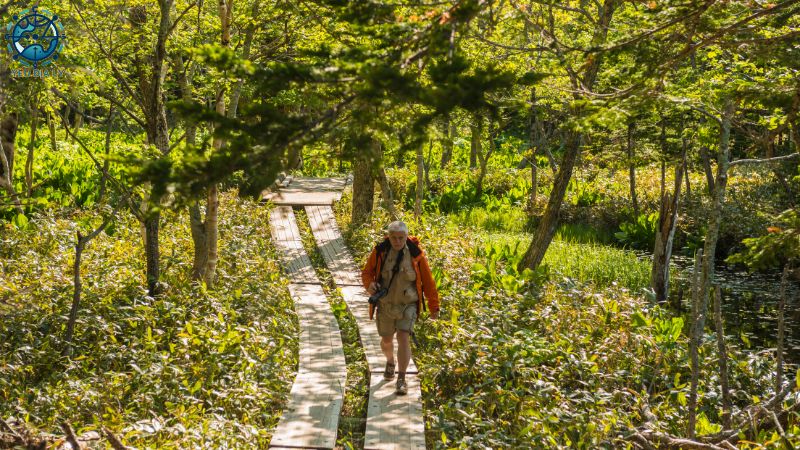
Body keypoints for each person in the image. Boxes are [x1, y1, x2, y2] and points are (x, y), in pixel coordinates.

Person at [362, 220, 440, 395]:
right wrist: (370, 285)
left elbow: (428, 281)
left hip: (408, 304)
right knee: (387, 340)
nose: (397, 241)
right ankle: (390, 361)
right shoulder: (380, 251)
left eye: (401, 237)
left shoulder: (416, 254)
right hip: (386, 303)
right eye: (394, 237)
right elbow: (367, 272)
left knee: (404, 337)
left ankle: (402, 379)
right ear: (388, 237)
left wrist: (434, 306)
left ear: (406, 236)